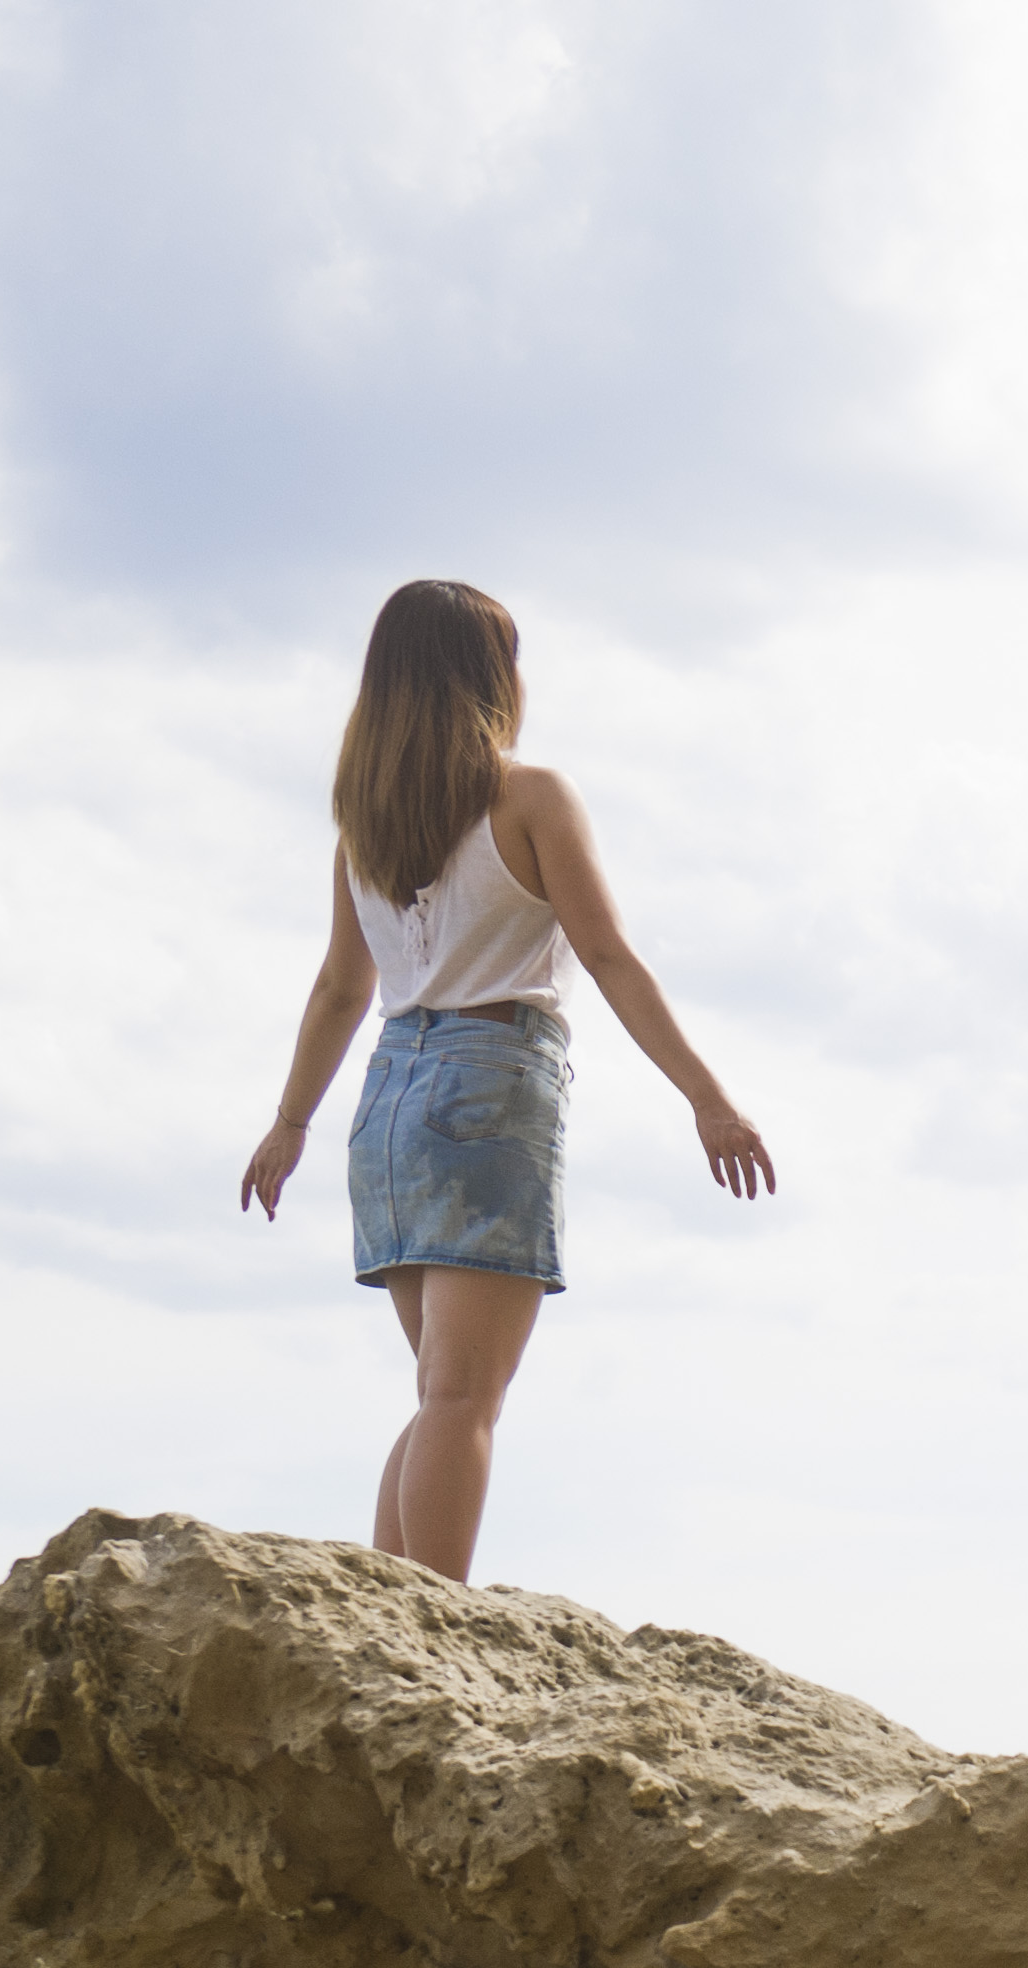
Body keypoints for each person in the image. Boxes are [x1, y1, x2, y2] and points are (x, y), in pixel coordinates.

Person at [236, 578, 776, 1583]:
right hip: (489, 1088)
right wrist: (710, 1098)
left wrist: (289, 1123)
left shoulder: (365, 828)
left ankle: (385, 1612)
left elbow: (338, 990)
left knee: (441, 1393)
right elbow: (608, 955)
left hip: (388, 1107)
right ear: (488, 676)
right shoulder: (528, 798)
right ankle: (435, 1622)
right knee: (461, 1399)